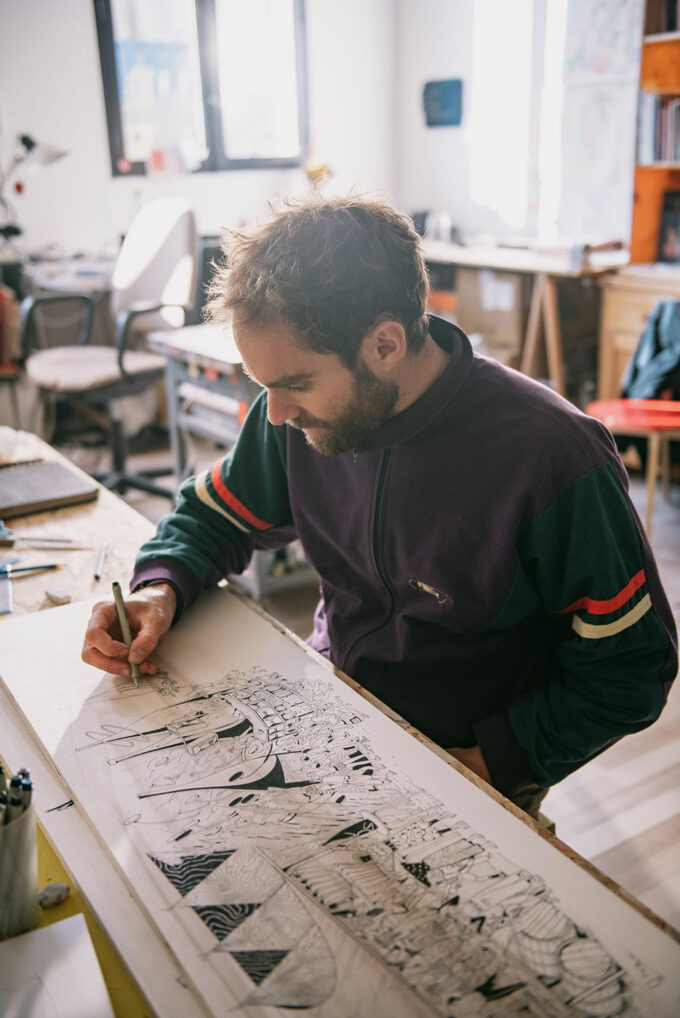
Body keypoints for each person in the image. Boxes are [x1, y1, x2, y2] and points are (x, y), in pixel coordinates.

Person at [82, 195, 678, 820]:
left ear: (386, 345)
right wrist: (159, 589)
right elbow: (212, 516)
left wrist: (492, 762)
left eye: (295, 384)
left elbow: (632, 669)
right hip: (329, 708)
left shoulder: (553, 457)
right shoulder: (292, 415)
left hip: (469, 761)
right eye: (265, 387)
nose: (276, 413)